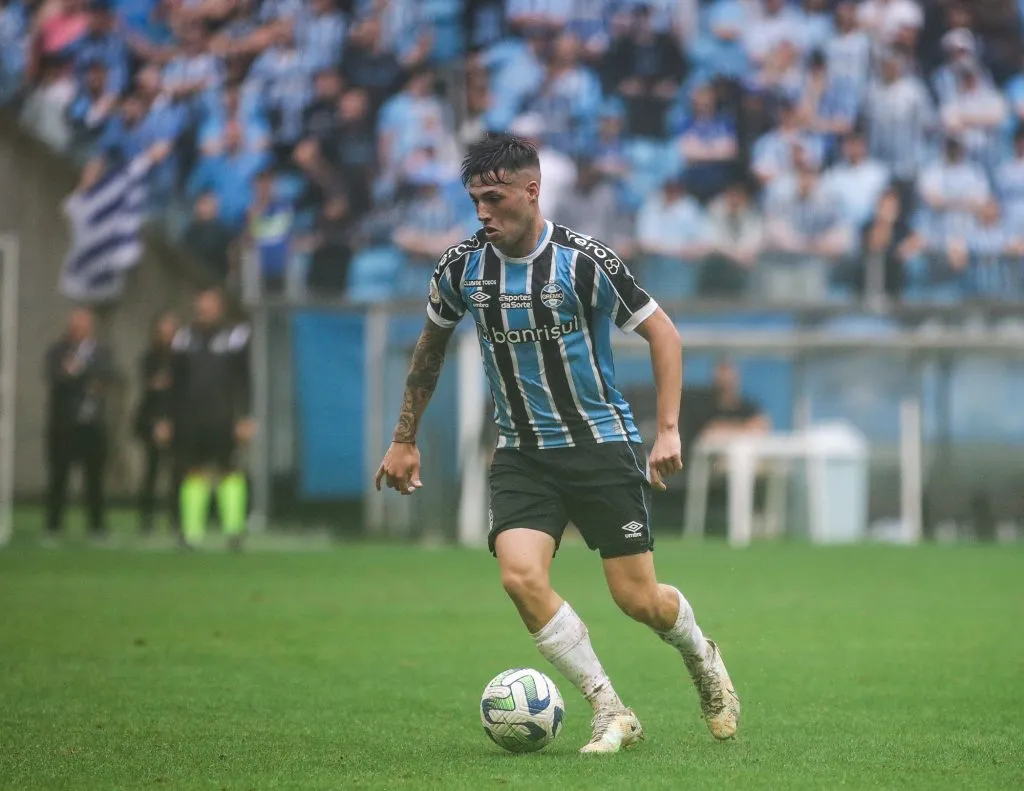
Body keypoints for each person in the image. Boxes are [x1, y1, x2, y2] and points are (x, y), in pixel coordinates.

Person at [374, 133, 740, 754]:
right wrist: (403, 437)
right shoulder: (461, 267)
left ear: (532, 190)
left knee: (638, 599)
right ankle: (609, 707)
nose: (483, 211)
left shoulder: (584, 260)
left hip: (600, 445)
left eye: (494, 197)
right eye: (474, 200)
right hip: (521, 452)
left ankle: (702, 655)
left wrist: (669, 429)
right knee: (520, 576)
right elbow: (429, 350)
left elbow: (664, 334)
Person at [156, 289, 253, 550]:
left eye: (210, 306)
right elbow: (172, 383)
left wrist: (245, 416)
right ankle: (191, 533)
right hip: (190, 418)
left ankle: (234, 531)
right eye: (201, 307)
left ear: (219, 308)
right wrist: (166, 418)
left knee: (230, 471)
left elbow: (245, 381)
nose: (205, 311)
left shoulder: (235, 338)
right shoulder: (183, 339)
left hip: (224, 417)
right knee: (192, 471)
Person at [44, 306, 115, 542]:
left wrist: (78, 373)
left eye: (84, 323)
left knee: (94, 478)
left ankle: (97, 527)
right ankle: (53, 526)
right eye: (75, 323)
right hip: (64, 424)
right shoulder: (58, 351)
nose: (79, 328)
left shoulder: (101, 351)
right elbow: (56, 377)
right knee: (59, 476)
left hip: (93, 425)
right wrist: (80, 377)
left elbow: (108, 375)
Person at [134, 310, 179, 534]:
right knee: (151, 472)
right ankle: (146, 520)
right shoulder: (150, 357)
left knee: (176, 473)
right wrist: (158, 423)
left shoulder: (182, 357)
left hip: (178, 421)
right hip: (152, 421)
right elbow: (153, 388)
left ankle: (176, 519)